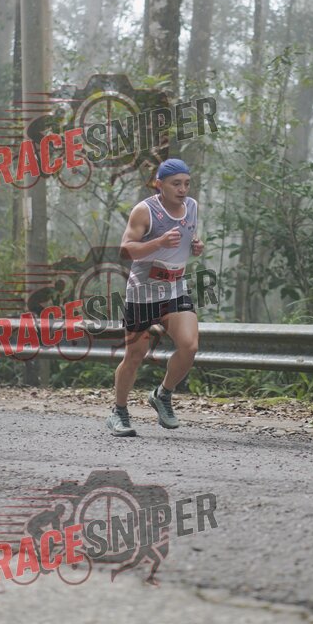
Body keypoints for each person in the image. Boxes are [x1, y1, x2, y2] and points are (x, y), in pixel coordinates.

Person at [106, 158, 204, 436]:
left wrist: (196, 247)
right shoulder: (145, 210)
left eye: (186, 183)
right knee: (135, 355)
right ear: (159, 184)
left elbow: (186, 241)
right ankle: (119, 412)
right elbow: (126, 250)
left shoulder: (192, 207)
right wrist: (158, 242)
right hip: (143, 291)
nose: (182, 189)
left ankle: (163, 394)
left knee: (189, 346)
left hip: (175, 288)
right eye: (176, 184)